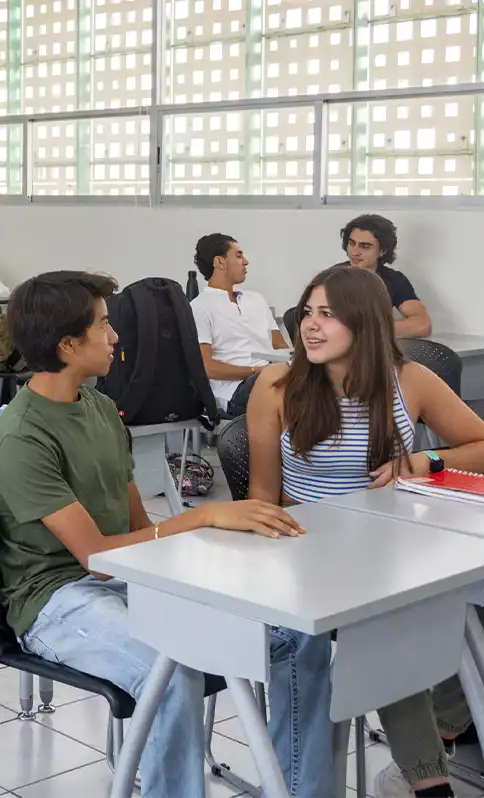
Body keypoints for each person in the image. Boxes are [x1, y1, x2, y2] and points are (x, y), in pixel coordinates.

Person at [0, 270, 334, 798]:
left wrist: (215, 559)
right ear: (67, 344)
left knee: (298, 639)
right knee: (170, 671)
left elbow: (141, 532)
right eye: (104, 326)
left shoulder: (103, 409)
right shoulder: (20, 436)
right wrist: (203, 516)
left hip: (127, 577)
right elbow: (95, 558)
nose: (115, 337)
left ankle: (300, 792)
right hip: (55, 599)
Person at [247, 264, 484, 798]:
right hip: (312, 558)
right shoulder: (275, 386)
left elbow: (479, 444)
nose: (310, 326)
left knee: (438, 610)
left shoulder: (409, 381)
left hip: (393, 547)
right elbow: (262, 496)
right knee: (388, 625)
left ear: (365, 324)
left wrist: (426, 460)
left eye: (328, 315)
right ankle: (430, 779)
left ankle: (447, 730)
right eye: (307, 312)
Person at [191, 233, 288, 416]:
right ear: (220, 262)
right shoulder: (199, 307)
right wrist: (257, 371)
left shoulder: (256, 299)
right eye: (238, 255)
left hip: (273, 376)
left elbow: (279, 347)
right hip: (236, 391)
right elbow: (207, 367)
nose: (246, 261)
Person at [341, 213, 432, 339]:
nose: (355, 252)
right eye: (352, 243)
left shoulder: (394, 280)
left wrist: (367, 333)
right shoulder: (331, 278)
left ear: (383, 251)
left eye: (365, 246)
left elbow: (422, 325)